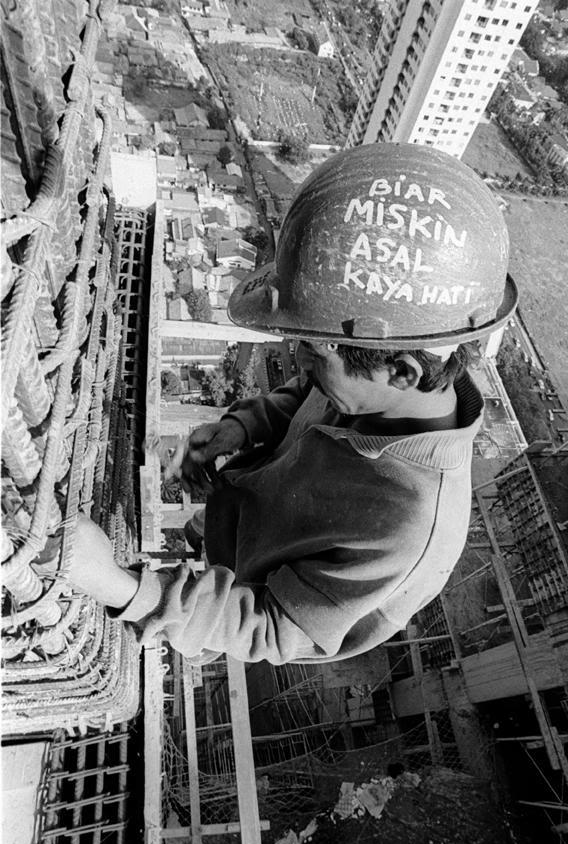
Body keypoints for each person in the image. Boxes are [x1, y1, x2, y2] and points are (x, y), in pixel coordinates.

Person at [68, 143, 517, 665]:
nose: (300, 363)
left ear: (401, 370)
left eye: (313, 351)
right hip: (237, 532)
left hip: (240, 602)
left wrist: (120, 587)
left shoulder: (406, 527)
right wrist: (245, 426)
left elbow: (268, 628)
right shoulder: (375, 391)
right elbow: (305, 397)